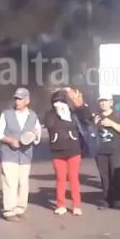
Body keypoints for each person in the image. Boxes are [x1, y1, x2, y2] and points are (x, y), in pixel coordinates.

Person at [0, 87, 41, 221]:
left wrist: (34, 135)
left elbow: (37, 133)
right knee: (9, 182)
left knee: (23, 182)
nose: (17, 101)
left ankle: (20, 208)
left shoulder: (33, 116)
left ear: (27, 101)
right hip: (9, 154)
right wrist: (10, 140)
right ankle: (9, 211)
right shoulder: (6, 114)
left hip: (25, 155)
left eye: (20, 99)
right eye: (16, 98)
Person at [45, 87, 90, 216]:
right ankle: (61, 205)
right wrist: (57, 113)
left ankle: (76, 205)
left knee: (73, 178)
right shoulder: (50, 114)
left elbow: (86, 117)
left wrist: (79, 105)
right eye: (56, 102)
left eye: (62, 102)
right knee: (60, 179)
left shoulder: (72, 113)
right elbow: (49, 125)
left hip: (73, 149)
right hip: (57, 150)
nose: (59, 105)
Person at [94, 94, 120, 211]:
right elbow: (90, 130)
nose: (102, 103)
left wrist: (112, 124)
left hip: (115, 150)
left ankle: (118, 200)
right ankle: (106, 199)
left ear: (111, 103)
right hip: (101, 151)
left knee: (116, 175)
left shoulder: (117, 115)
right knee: (104, 176)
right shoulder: (96, 116)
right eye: (101, 101)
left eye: (105, 101)